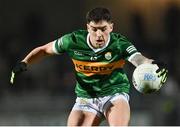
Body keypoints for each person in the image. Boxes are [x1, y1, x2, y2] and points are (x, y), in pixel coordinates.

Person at [10, 7, 168, 126]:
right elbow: (44, 50)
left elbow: (138, 59)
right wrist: (24, 62)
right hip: (86, 97)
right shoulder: (72, 41)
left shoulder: (119, 44)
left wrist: (150, 63)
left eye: (103, 29)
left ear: (111, 27)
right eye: (94, 29)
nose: (99, 34)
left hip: (114, 93)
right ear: (88, 28)